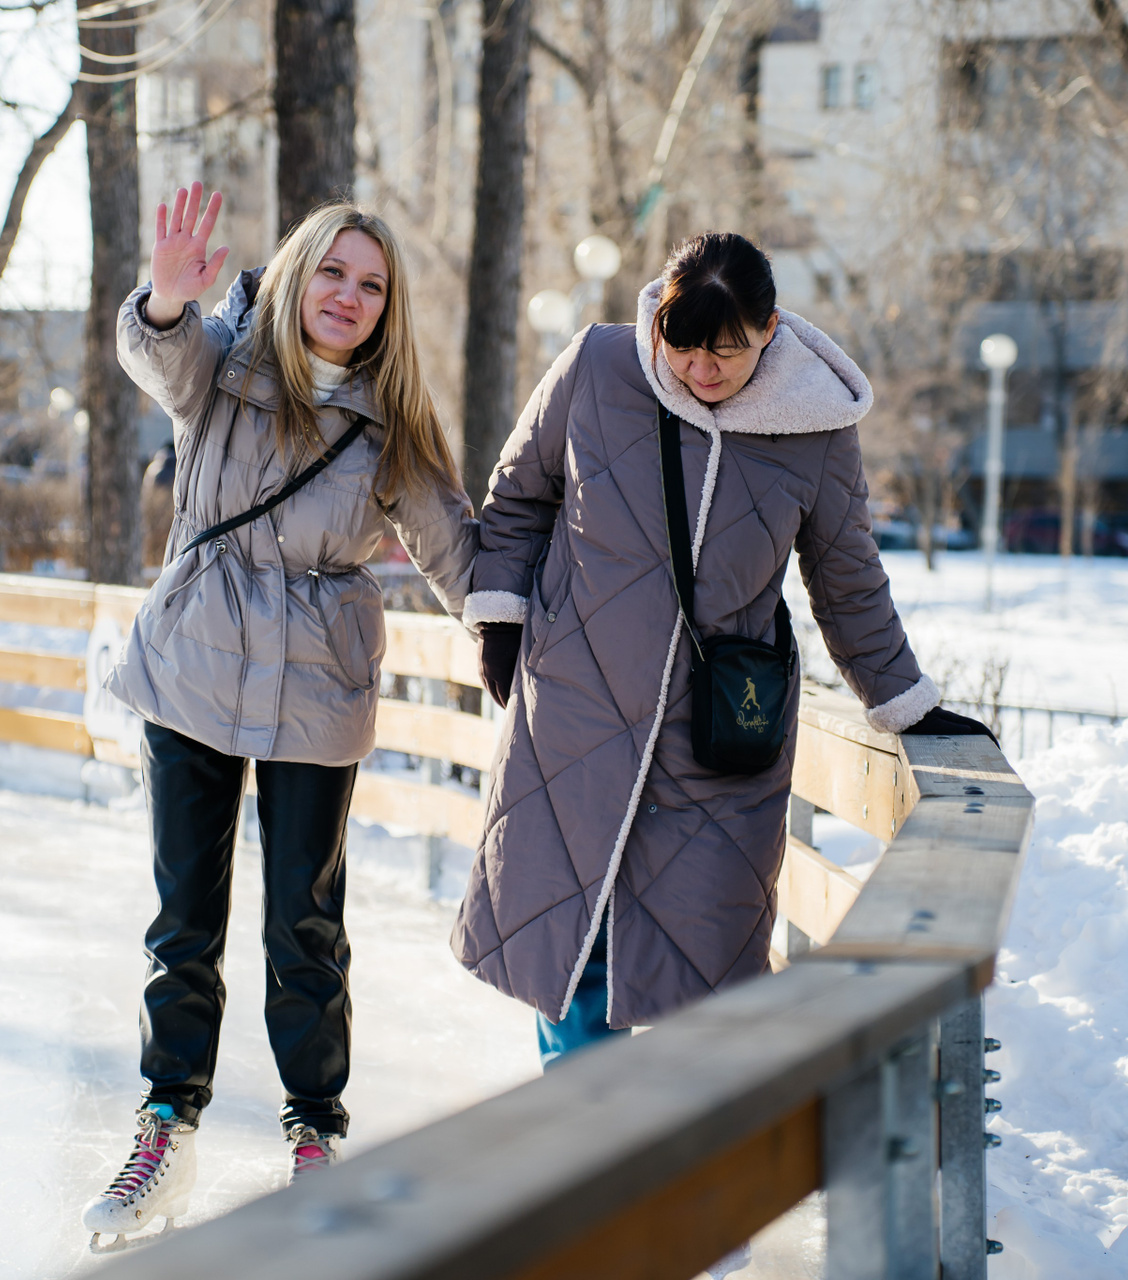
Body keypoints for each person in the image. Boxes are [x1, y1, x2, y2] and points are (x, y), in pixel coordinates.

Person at [454, 232, 988, 1274]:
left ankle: (706, 1214)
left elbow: (847, 583)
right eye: (683, 343)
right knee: (579, 961)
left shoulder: (814, 428)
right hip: (579, 721)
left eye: (728, 349)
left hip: (718, 749)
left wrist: (908, 704)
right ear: (657, 319)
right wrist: (502, 619)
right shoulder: (597, 367)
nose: (701, 368)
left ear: (769, 332)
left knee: (713, 979)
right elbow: (518, 496)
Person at [82, 185, 478, 1251]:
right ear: (300, 274)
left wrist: (539, 616)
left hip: (317, 683)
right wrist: (165, 299)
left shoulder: (391, 422)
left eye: (372, 285)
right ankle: (168, 1125)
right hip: (195, 665)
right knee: (185, 920)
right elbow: (158, 357)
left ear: (388, 307)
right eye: (334, 272)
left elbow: (461, 555)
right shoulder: (223, 361)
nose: (348, 295)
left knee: (306, 926)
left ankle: (314, 1133)